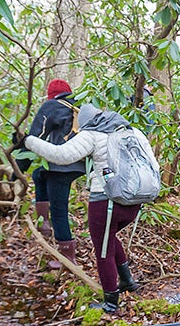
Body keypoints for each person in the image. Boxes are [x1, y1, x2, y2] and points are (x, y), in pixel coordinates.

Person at [18, 104, 144, 312]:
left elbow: (61, 155)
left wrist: (28, 141)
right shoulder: (133, 132)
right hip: (134, 199)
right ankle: (127, 281)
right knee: (109, 237)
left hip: (106, 200)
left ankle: (110, 303)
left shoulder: (93, 133)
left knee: (102, 250)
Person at [14, 79, 86, 270]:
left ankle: (67, 259)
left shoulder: (51, 106)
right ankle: (43, 223)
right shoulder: (81, 106)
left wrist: (18, 170)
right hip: (78, 164)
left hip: (60, 165)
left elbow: (34, 137)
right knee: (39, 174)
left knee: (59, 209)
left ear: (51, 95)